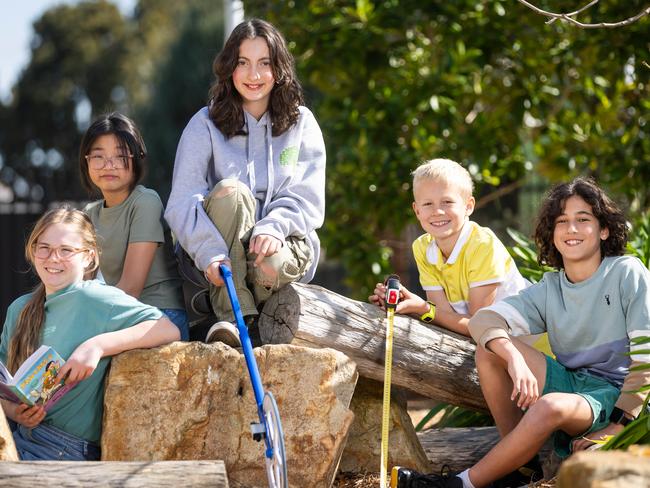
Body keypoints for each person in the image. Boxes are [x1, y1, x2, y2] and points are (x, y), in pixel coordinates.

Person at [392, 177, 650, 488]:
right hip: (573, 383)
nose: (571, 229)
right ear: (552, 233)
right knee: (489, 350)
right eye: (561, 221)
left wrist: (618, 426)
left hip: (612, 393)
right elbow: (483, 321)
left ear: (603, 229)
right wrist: (513, 357)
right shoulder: (550, 288)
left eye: (583, 220)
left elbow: (646, 357)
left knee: (550, 404)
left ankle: (458, 484)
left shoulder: (626, 273)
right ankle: (520, 469)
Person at [165, 19, 325, 345]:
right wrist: (208, 251)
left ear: (279, 69)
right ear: (229, 69)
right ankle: (234, 321)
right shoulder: (204, 124)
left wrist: (275, 227)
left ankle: (252, 312)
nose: (254, 75)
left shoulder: (302, 123)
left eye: (264, 63)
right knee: (231, 192)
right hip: (220, 253)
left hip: (280, 246)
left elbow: (308, 196)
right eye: (243, 63)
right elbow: (183, 200)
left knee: (271, 263)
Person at [0, 208, 180, 460]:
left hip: (64, 449)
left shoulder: (95, 297)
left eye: (66, 250)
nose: (53, 258)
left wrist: (97, 346)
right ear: (33, 251)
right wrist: (13, 410)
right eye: (45, 248)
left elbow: (167, 328)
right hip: (19, 436)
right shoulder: (19, 308)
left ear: (89, 257)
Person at [370, 159, 532, 339]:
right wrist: (406, 305)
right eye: (427, 204)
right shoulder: (422, 247)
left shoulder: (482, 245)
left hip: (528, 342)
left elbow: (477, 327)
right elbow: (444, 317)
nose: (437, 211)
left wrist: (421, 308)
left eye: (447, 201)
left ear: (468, 206)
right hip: (490, 341)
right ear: (417, 211)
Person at [80, 112, 189, 341]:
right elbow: (84, 283)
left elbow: (131, 288)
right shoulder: (89, 214)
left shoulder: (145, 202)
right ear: (87, 161)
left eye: (120, 157)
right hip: (120, 314)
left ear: (136, 159)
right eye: (98, 156)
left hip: (160, 316)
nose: (108, 165)